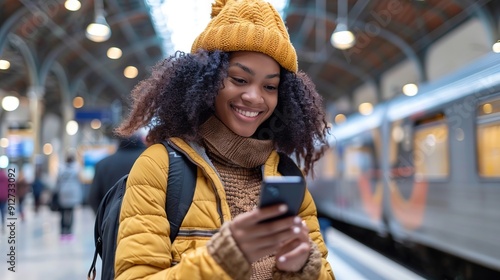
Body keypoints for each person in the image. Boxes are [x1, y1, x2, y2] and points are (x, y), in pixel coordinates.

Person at [113, 0, 335, 279]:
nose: (254, 97)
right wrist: (222, 260)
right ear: (204, 80)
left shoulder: (287, 174)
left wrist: (303, 269)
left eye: (269, 86)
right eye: (239, 79)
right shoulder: (160, 167)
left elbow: (326, 273)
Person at [87, 135, 146, 214]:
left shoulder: (103, 164)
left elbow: (94, 197)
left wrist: (104, 219)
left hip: (111, 218)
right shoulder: (150, 162)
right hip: (142, 219)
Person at [55, 154, 82, 241]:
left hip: (63, 193)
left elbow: (57, 181)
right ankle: (70, 232)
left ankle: (63, 232)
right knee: (71, 213)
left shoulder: (61, 169)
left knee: (62, 214)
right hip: (73, 194)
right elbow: (79, 180)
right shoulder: (76, 168)